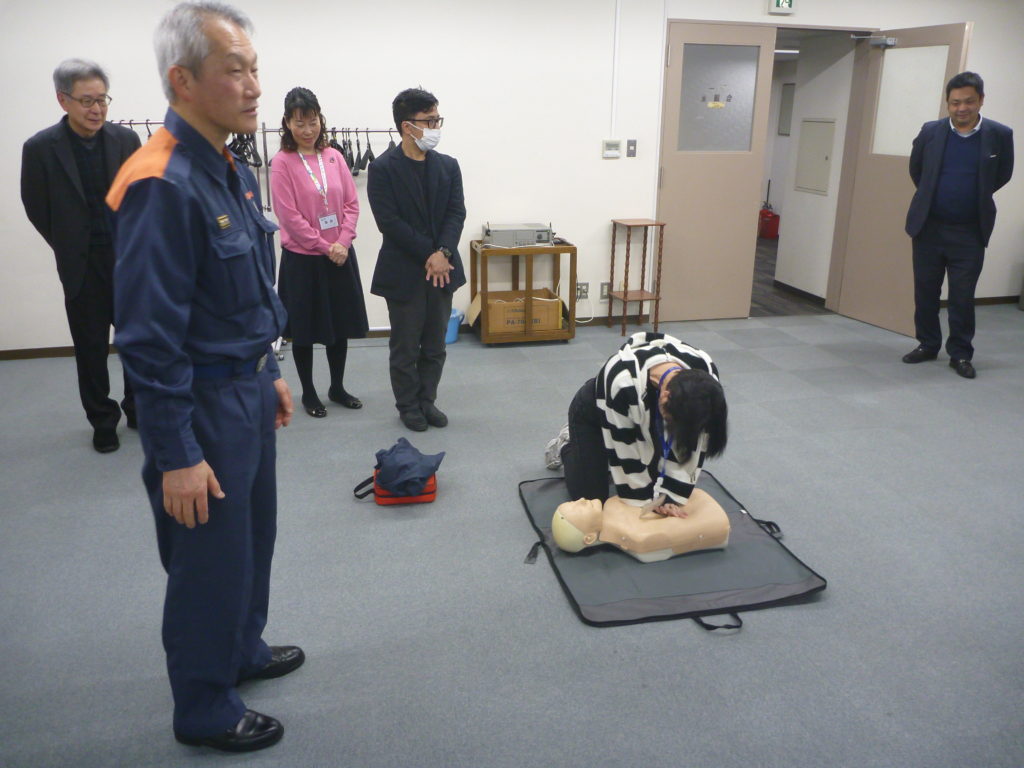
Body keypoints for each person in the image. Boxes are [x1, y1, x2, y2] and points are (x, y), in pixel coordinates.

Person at [106, 2, 301, 752]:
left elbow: (246, 290)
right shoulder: (160, 181)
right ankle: (204, 705)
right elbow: (147, 339)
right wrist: (178, 454)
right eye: (235, 70)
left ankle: (242, 648)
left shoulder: (229, 167)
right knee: (208, 560)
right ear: (182, 80)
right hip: (201, 402)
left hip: (245, 386)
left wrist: (268, 368)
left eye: (255, 69)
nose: (254, 86)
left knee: (252, 538)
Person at [21, 59, 141, 453]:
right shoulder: (40, 149)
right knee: (91, 349)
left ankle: (138, 407)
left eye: (102, 99)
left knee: (138, 341)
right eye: (87, 100)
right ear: (63, 100)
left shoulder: (126, 141)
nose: (97, 109)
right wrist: (68, 244)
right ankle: (102, 420)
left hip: (127, 260)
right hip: (82, 265)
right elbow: (36, 206)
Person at [903, 71, 1014, 379]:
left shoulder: (1000, 134)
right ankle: (927, 344)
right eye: (955, 103)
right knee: (926, 291)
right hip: (929, 228)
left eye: (968, 101)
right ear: (947, 103)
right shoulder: (931, 131)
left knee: (962, 296)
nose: (961, 108)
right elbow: (917, 171)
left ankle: (961, 353)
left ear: (981, 100)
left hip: (969, 231)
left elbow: (1002, 174)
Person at [367, 87, 466, 432]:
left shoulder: (448, 166)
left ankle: (427, 401)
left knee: (436, 345)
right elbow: (389, 222)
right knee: (406, 346)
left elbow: (456, 213)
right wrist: (430, 254)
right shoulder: (383, 169)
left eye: (438, 119)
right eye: (430, 120)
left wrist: (444, 253)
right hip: (404, 271)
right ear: (407, 126)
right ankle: (408, 406)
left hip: (444, 268)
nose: (436, 127)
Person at [270, 87, 368, 418]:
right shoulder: (282, 163)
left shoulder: (334, 156)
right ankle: (309, 393)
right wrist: (327, 246)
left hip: (339, 255)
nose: (308, 130)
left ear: (320, 120)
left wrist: (344, 240)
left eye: (313, 122)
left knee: (338, 325)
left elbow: (351, 204)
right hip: (304, 260)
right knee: (304, 329)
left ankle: (337, 387)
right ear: (287, 123)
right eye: (300, 123)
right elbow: (289, 217)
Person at [554, 332, 728, 516]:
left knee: (655, 480)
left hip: (647, 411)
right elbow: (626, 455)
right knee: (594, 503)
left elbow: (696, 441)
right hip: (596, 413)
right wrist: (643, 504)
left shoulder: (706, 373)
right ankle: (567, 443)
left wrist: (669, 497)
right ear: (665, 397)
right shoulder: (623, 382)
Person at [551, 491, 730, 563]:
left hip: (688, 500)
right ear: (589, 537)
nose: (581, 500)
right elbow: (685, 529)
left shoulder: (612, 504)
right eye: (577, 508)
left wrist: (662, 503)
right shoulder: (636, 537)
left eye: (573, 502)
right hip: (710, 517)